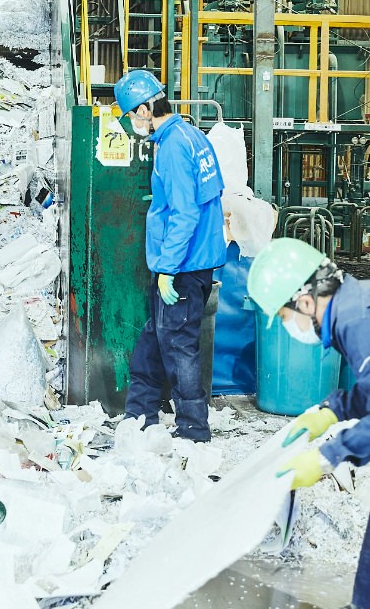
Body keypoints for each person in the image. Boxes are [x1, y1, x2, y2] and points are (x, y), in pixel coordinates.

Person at [248, 238, 370, 609]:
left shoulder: (356, 322)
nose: (289, 327)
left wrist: (327, 457)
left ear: (304, 300)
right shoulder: (353, 307)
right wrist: (333, 410)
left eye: (284, 318)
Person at [114, 69, 226, 442]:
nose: (131, 122)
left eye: (131, 113)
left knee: (179, 347)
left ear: (146, 108)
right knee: (155, 339)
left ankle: (193, 429)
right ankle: (140, 414)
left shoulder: (175, 147)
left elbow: (186, 213)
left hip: (183, 264)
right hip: (194, 260)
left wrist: (167, 269)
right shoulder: (189, 134)